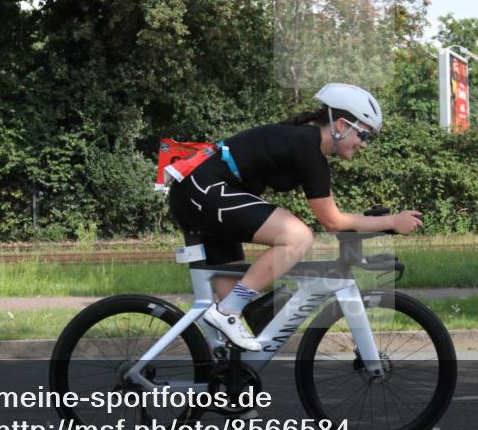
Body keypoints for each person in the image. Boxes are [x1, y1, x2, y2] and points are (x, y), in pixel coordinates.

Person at [167, 83, 423, 351]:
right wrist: (391, 222)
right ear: (340, 126)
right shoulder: (306, 145)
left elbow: (334, 217)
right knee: (297, 236)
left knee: (232, 326)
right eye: (364, 135)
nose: (363, 145)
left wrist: (379, 224)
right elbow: (332, 222)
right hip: (202, 191)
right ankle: (227, 311)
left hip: (203, 193)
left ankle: (225, 374)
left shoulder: (308, 148)